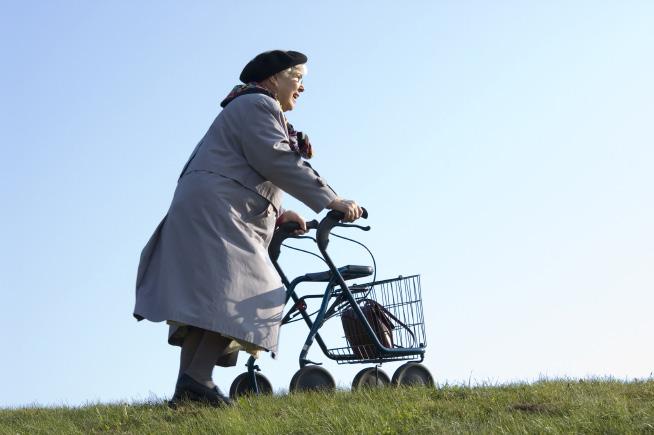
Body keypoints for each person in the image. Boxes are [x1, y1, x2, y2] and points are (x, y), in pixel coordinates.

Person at [133, 50, 363, 406]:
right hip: (221, 209)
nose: (302, 87)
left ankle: (189, 388)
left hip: (213, 206)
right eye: (297, 77)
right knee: (252, 292)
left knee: (209, 299)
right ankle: (199, 379)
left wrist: (280, 212)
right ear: (273, 79)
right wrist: (331, 199)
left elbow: (251, 165)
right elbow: (275, 158)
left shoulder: (244, 107)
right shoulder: (258, 105)